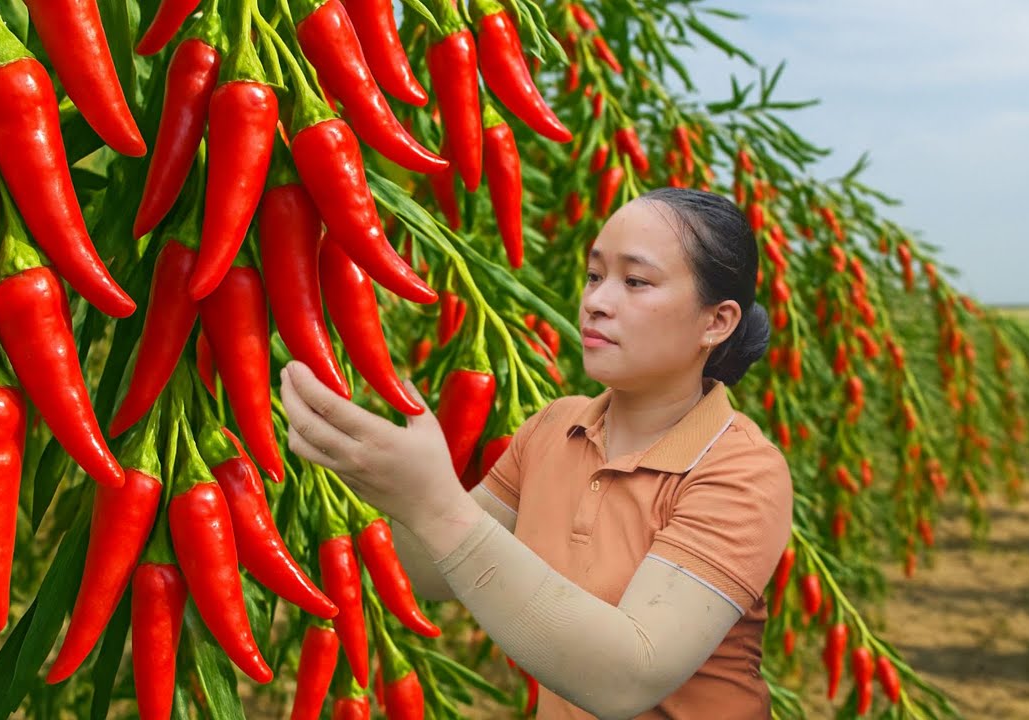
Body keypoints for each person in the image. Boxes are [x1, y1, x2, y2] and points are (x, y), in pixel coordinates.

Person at [278, 187, 794, 719]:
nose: (595, 301)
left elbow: (629, 679)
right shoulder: (554, 427)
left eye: (635, 281)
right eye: (595, 276)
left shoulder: (741, 471)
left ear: (717, 321)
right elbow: (432, 576)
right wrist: (399, 494)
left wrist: (433, 501)